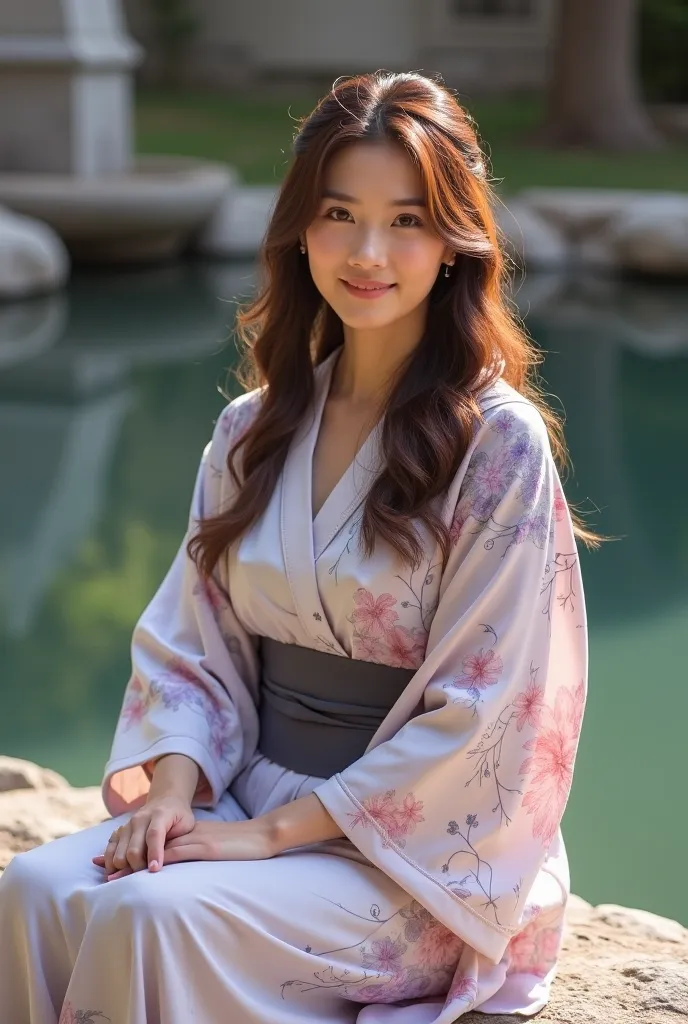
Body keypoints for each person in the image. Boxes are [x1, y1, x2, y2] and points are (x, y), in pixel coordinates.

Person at [0, 71, 596, 1024]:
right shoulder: (254, 428)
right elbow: (194, 639)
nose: (368, 252)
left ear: (453, 243)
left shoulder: (498, 443)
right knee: (32, 889)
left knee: (149, 916)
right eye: (338, 213)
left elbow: (494, 708)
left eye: (407, 220)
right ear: (299, 228)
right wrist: (174, 792)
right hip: (240, 793)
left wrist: (275, 833)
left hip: (413, 856)